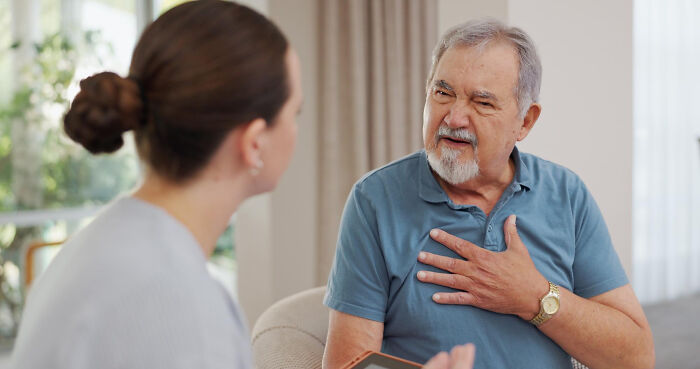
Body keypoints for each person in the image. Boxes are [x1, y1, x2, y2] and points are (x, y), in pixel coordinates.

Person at [10, 1, 474, 369]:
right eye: (295, 113)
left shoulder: (100, 242)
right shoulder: (182, 307)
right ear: (254, 143)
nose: (297, 128)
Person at [323, 19, 655, 369]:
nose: (454, 117)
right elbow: (347, 365)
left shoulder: (566, 194)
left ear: (525, 122)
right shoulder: (375, 200)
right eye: (443, 92)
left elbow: (636, 357)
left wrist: (535, 298)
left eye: (482, 102)